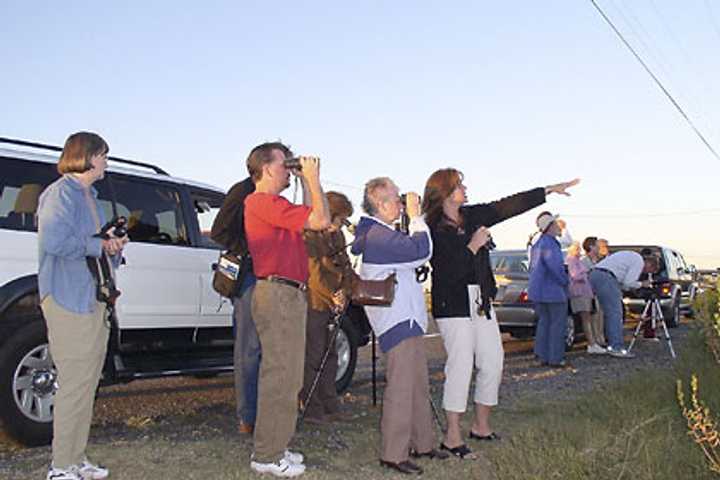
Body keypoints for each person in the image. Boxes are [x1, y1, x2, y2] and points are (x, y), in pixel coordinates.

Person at [421, 168, 579, 457]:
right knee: (460, 364)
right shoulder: (431, 228)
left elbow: (507, 206)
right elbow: (447, 272)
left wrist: (547, 190)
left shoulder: (471, 216)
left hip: (480, 298)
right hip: (452, 301)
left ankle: (481, 426)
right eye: (459, 185)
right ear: (444, 192)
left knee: (493, 359)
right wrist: (472, 246)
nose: (465, 188)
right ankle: (452, 436)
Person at [37, 132, 128, 480]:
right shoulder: (60, 194)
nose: (107, 160)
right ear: (88, 157)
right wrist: (99, 245)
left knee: (87, 383)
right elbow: (55, 242)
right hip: (67, 300)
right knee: (74, 383)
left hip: (95, 299)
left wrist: (114, 245)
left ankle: (75, 458)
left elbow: (97, 245)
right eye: (104, 154)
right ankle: (60, 467)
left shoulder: (93, 197)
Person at [243, 142, 330, 477]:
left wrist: (308, 182)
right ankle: (266, 454)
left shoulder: (276, 204)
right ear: (266, 168)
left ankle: (277, 445)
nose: (288, 170)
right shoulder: (260, 201)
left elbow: (311, 217)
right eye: (284, 164)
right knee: (279, 376)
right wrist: (312, 177)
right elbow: (320, 219)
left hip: (289, 293)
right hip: (276, 293)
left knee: (290, 376)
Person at [352, 177, 449, 475]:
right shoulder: (377, 236)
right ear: (380, 204)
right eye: (395, 199)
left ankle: (423, 443)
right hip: (397, 322)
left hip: (407, 320)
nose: (401, 203)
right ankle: (393, 453)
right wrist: (417, 215)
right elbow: (421, 250)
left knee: (417, 385)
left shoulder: (381, 233)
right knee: (401, 389)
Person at [300, 191, 356, 424]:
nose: (342, 224)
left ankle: (330, 404)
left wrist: (347, 291)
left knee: (330, 356)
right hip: (314, 302)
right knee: (313, 357)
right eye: (340, 219)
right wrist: (333, 295)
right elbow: (313, 274)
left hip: (334, 306)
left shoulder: (338, 237)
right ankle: (311, 407)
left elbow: (346, 267)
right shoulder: (311, 235)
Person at [210, 176, 259, 434]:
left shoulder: (264, 194)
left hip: (263, 277)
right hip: (249, 278)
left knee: (259, 349)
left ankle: (260, 412)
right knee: (248, 350)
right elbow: (219, 231)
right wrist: (251, 252)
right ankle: (247, 417)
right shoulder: (244, 191)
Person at [588, 250, 660, 358]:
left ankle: (611, 343)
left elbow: (625, 284)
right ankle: (616, 347)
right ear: (649, 264)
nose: (644, 272)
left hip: (597, 274)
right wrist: (642, 284)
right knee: (615, 313)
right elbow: (629, 283)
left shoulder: (632, 257)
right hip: (606, 277)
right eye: (649, 271)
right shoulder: (638, 261)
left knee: (609, 312)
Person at [529, 212, 570, 367]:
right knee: (557, 325)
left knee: (544, 323)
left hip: (538, 291)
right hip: (553, 291)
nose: (559, 227)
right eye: (556, 224)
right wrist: (565, 280)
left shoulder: (537, 243)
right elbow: (555, 267)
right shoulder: (551, 243)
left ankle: (542, 355)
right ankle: (556, 358)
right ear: (550, 226)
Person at [566, 241, 605, 354]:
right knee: (586, 319)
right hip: (579, 292)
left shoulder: (577, 260)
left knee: (590, 316)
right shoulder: (572, 260)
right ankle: (591, 344)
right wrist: (585, 272)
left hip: (586, 292)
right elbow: (574, 275)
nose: (579, 251)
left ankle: (594, 342)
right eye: (577, 249)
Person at [581, 236, 607, 347]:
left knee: (600, 316)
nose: (598, 248)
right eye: (596, 245)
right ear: (591, 247)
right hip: (589, 293)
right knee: (592, 317)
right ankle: (593, 341)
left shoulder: (600, 261)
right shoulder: (584, 262)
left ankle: (600, 338)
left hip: (600, 292)